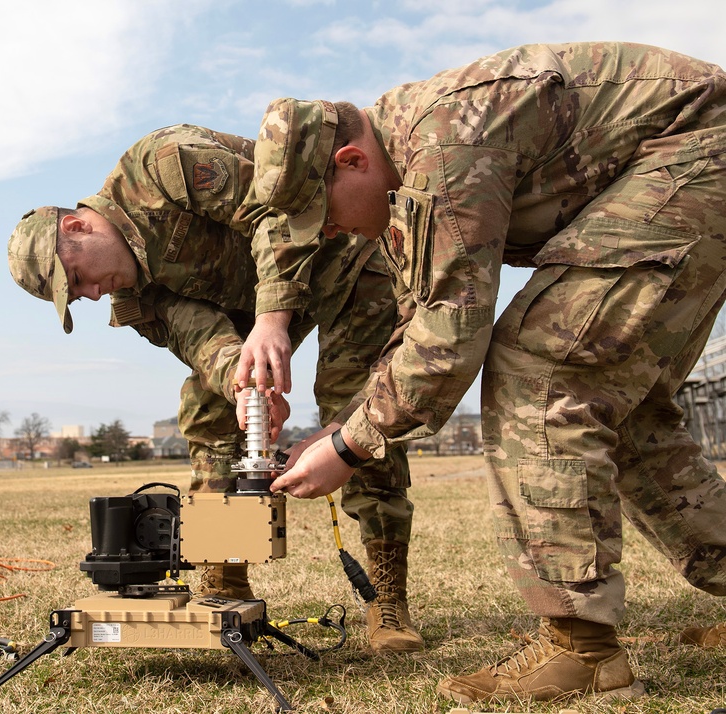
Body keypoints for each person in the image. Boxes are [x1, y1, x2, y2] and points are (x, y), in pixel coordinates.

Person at [252, 42, 726, 703]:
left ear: (351, 162)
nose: (331, 234)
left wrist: (350, 447)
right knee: (624, 411)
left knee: (541, 365)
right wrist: (345, 426)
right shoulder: (409, 171)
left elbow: (453, 336)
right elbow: (420, 322)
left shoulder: (443, 148)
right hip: (690, 160)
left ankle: (580, 651)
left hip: (703, 150)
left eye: (325, 216)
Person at [7, 124, 424, 652]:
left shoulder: (162, 167)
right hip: (258, 313)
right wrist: (242, 383)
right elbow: (201, 339)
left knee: (355, 407)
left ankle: (388, 602)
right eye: (77, 296)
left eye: (77, 278)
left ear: (78, 225)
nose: (90, 295)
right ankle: (224, 579)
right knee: (208, 411)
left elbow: (275, 210)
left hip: (343, 257)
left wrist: (272, 318)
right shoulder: (134, 298)